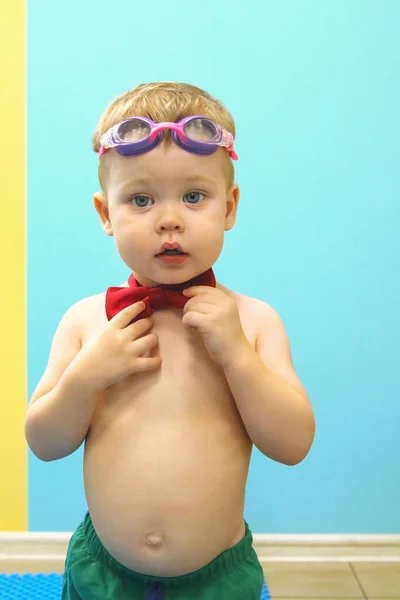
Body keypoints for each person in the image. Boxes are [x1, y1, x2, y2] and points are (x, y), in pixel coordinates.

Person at [24, 82, 315, 599]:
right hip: (102, 576)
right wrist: (86, 378)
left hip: (216, 581)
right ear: (106, 214)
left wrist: (238, 358)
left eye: (194, 196)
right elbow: (44, 444)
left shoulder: (253, 322)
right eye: (140, 198)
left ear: (229, 208)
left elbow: (293, 446)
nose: (169, 218)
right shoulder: (87, 322)